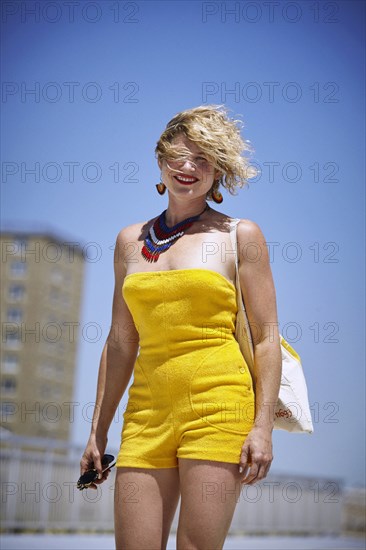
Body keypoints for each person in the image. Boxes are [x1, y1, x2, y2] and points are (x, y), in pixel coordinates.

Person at [80, 105, 282, 549]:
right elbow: (119, 342)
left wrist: (262, 427)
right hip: (146, 413)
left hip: (218, 407)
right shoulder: (129, 242)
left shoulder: (239, 235)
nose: (188, 167)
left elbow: (267, 339)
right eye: (178, 156)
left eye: (203, 158)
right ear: (160, 160)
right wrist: (97, 430)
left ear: (219, 171)